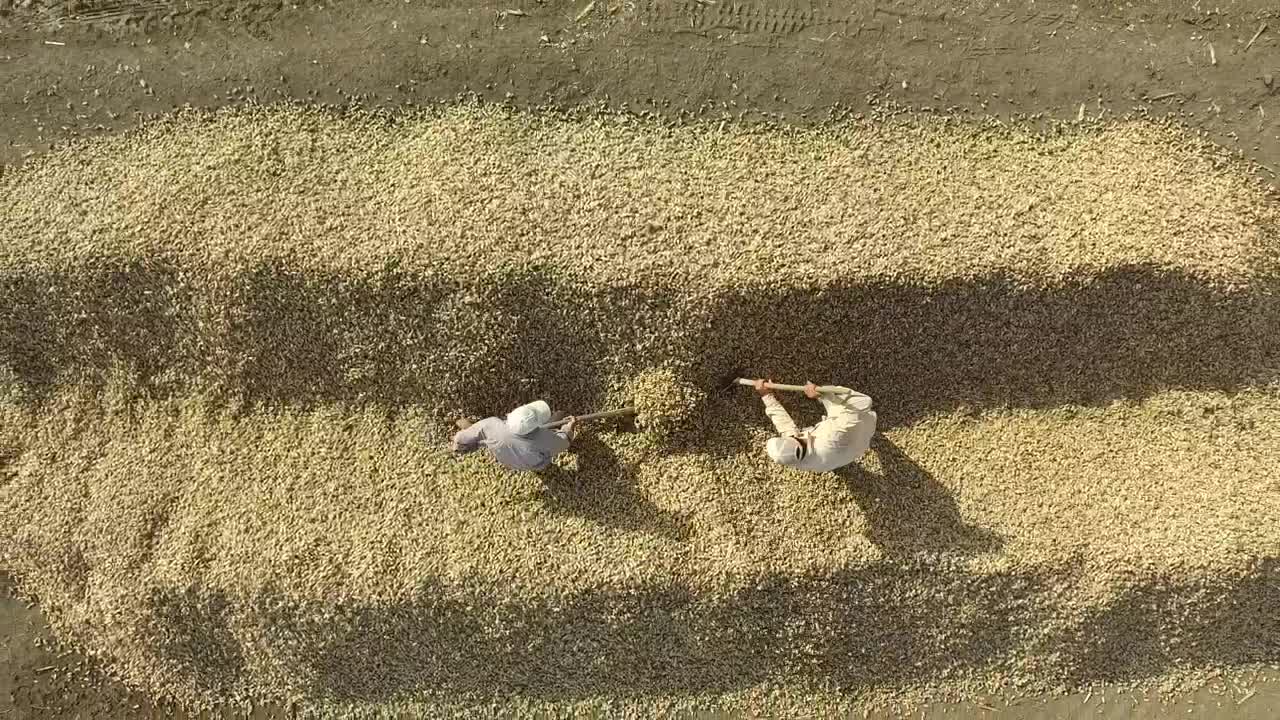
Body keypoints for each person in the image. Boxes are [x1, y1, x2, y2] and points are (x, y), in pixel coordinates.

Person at [754, 379, 876, 472]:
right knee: (840, 399)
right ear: (797, 439)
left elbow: (784, 426)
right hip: (862, 434)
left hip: (839, 459)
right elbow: (864, 402)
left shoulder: (793, 458)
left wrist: (766, 396)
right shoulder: (833, 435)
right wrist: (822, 394)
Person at [449, 400, 577, 472]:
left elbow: (461, 439)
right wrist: (570, 426)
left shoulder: (491, 424)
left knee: (479, 433)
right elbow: (564, 441)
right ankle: (561, 413)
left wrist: (459, 447)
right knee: (560, 414)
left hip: (504, 458)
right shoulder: (542, 438)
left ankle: (477, 436)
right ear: (535, 427)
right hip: (534, 465)